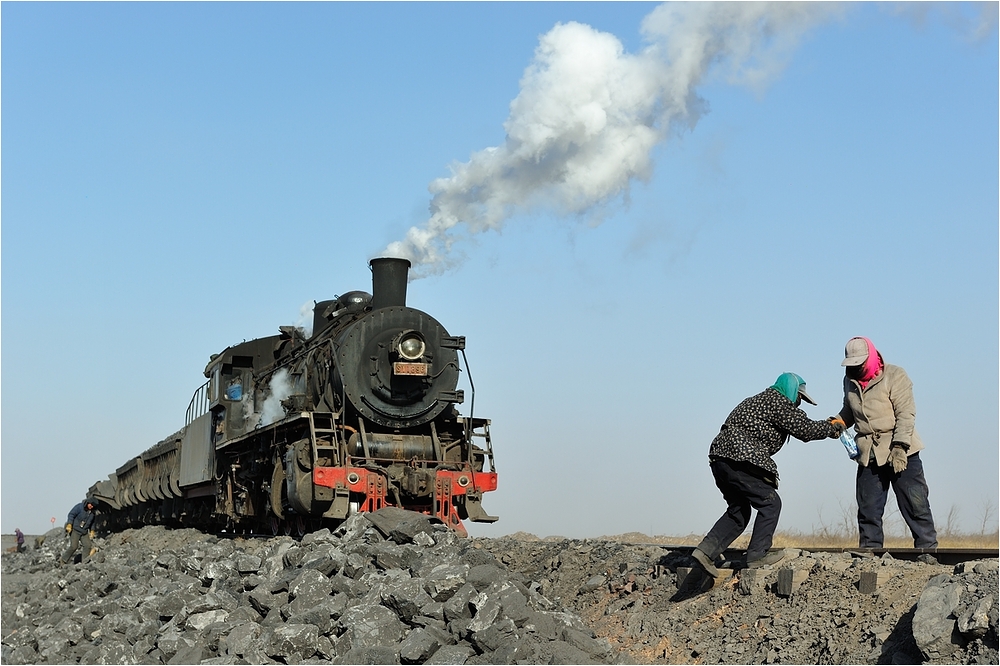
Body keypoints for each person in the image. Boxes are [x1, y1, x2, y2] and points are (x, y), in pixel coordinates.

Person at [691, 373, 843, 578]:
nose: (799, 402)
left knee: (739, 511)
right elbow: (805, 430)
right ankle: (756, 556)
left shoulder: (756, 400)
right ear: (790, 390)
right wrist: (830, 427)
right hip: (740, 457)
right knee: (770, 503)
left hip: (720, 458)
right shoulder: (777, 401)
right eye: (799, 397)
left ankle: (705, 552)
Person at [835, 337, 938, 550]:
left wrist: (900, 447)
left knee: (915, 503)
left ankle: (927, 549)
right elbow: (849, 410)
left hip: (900, 450)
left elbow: (905, 414)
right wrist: (838, 422)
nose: (855, 368)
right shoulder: (849, 381)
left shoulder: (895, 375)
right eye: (851, 364)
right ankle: (870, 551)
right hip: (868, 453)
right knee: (868, 509)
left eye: (859, 364)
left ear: (870, 358)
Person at [61, 498, 98, 564]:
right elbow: (71, 514)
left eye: (93, 506)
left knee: (88, 545)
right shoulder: (79, 507)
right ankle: (63, 560)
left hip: (84, 532)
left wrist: (92, 530)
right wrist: (69, 524)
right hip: (75, 530)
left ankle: (84, 561)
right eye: (91, 504)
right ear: (88, 502)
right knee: (74, 546)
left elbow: (92, 523)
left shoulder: (92, 513)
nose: (91, 506)